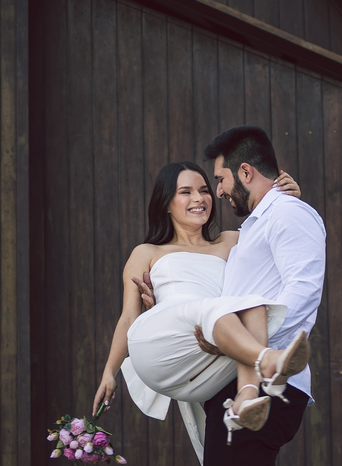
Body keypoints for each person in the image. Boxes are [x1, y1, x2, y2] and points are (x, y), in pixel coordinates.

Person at [92, 161, 312, 462]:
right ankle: (268, 359)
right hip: (169, 337)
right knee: (217, 307)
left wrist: (288, 202)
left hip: (216, 340)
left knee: (251, 301)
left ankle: (247, 395)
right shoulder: (147, 253)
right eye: (186, 192)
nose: (199, 198)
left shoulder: (232, 240)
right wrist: (109, 372)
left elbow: (278, 237)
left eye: (205, 190)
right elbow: (129, 317)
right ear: (166, 203)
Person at [139, 126, 327, 465]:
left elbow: (303, 292)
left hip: (268, 383)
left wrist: (247, 347)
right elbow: (219, 296)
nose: (219, 191)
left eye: (220, 180)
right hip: (237, 381)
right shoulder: (250, 230)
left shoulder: (287, 213)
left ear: (245, 172)